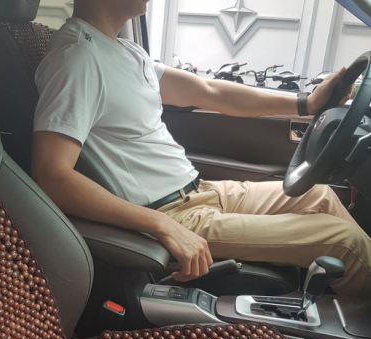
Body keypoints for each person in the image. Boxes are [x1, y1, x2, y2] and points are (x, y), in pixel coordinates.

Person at [32, 0, 371, 296]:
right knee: (345, 243)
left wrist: (306, 104)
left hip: (201, 192)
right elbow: (52, 176)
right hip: (171, 213)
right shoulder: (76, 59)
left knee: (321, 196)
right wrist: (161, 225)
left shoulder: (125, 51)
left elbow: (209, 92)